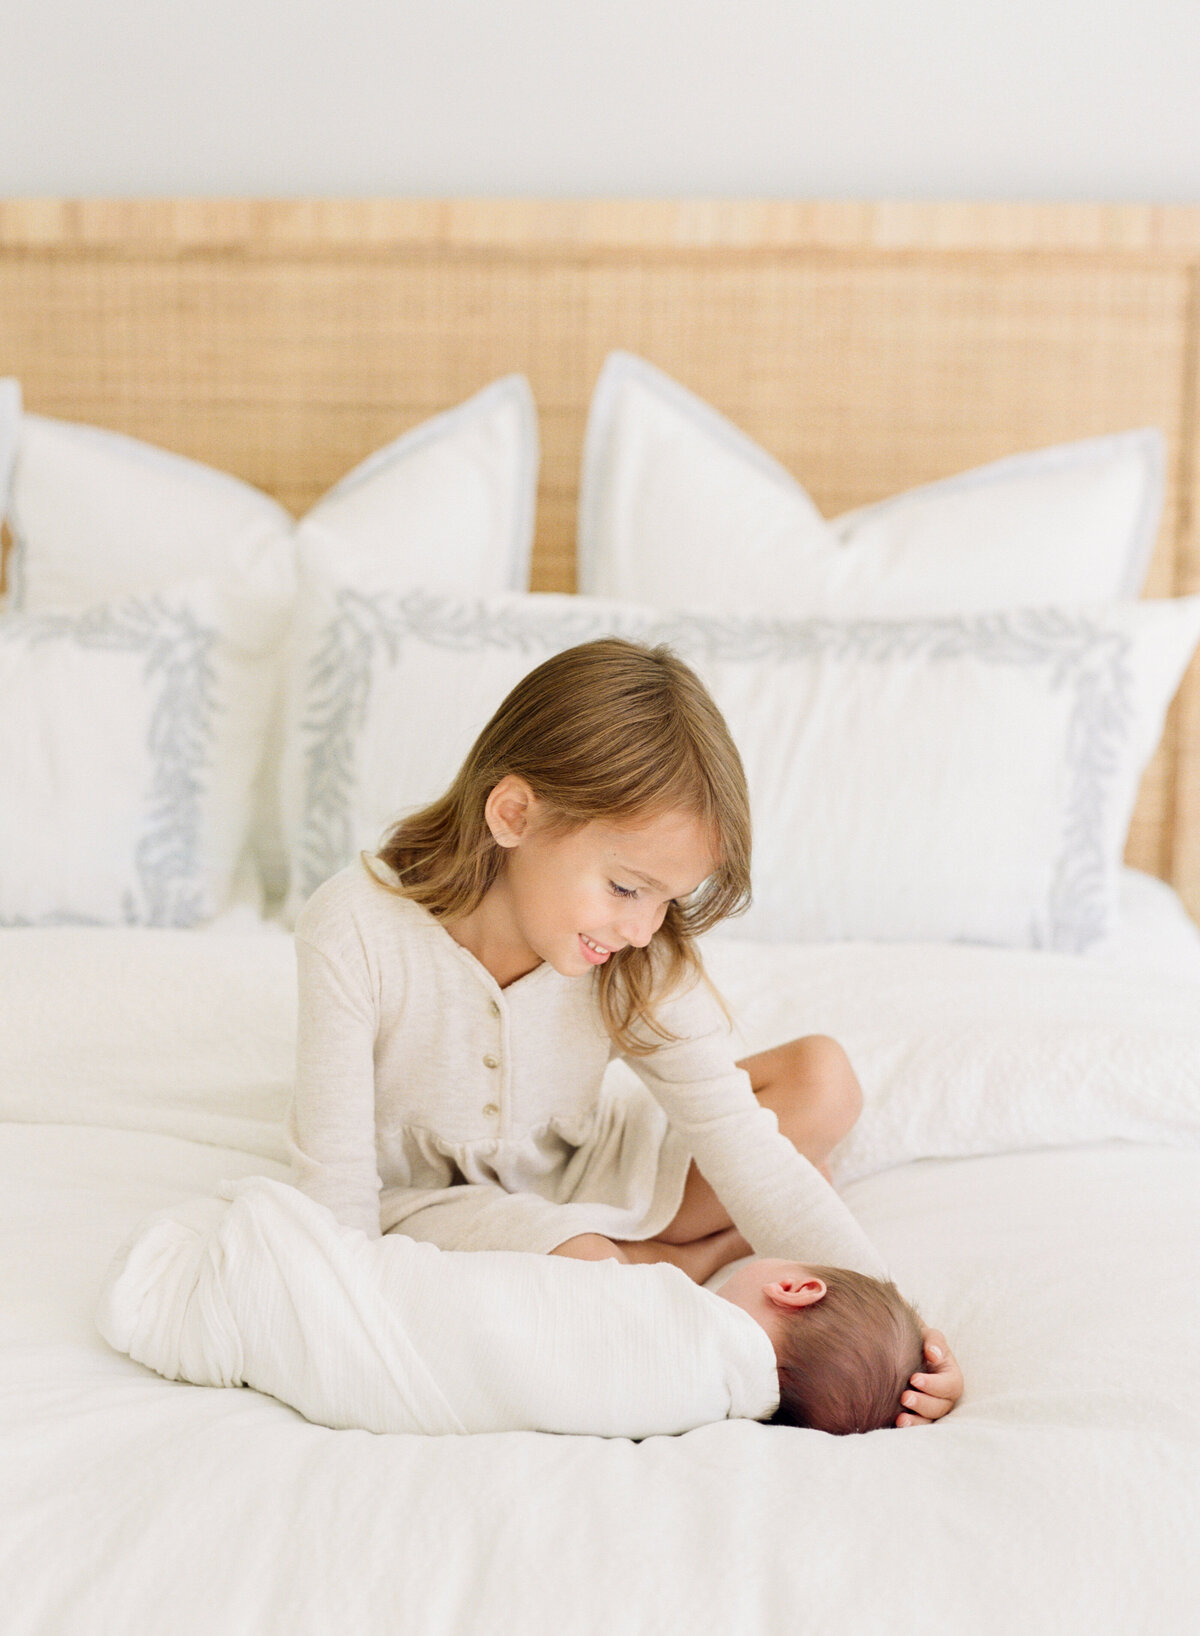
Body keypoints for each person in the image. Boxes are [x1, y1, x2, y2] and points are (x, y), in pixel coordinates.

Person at [286, 637, 962, 1428]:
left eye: (666, 902)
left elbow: (744, 1146)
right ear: (513, 814)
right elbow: (333, 1207)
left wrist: (897, 1339)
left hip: (583, 1162)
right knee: (591, 1273)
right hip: (433, 1203)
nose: (644, 928)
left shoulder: (636, 955)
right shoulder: (357, 928)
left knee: (821, 1081)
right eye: (625, 887)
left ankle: (662, 1248)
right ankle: (700, 1258)